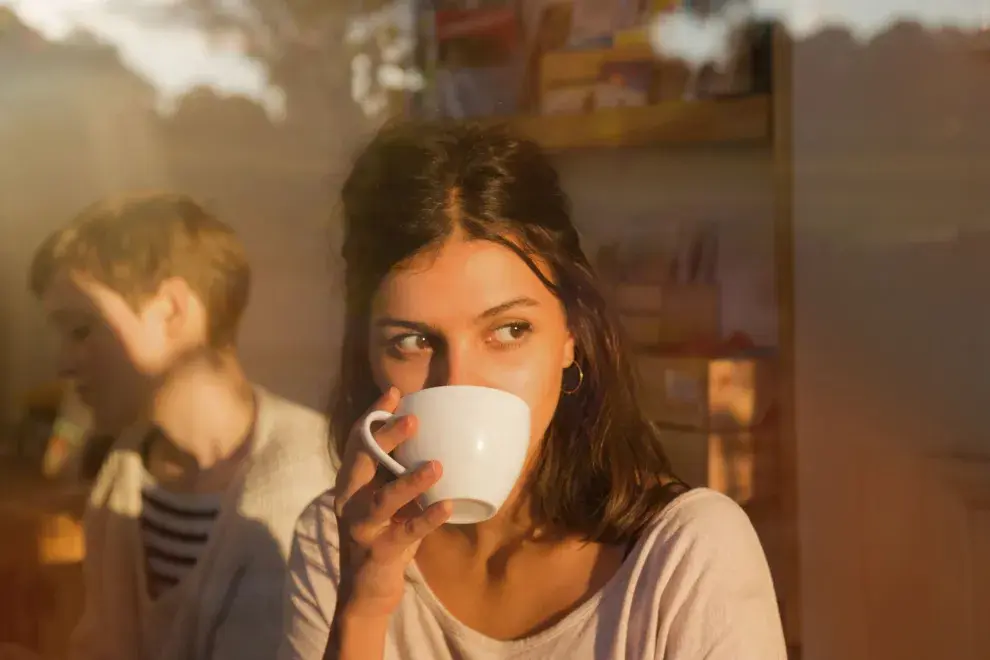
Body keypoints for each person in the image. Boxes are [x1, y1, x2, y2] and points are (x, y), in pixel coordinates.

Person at [279, 122, 787, 659]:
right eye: (412, 341)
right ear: (368, 357)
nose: (459, 382)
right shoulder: (336, 544)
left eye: (509, 331)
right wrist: (361, 612)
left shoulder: (685, 554)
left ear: (570, 336)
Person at [27, 193, 337, 660]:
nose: (63, 362)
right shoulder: (124, 474)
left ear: (172, 310)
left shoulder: (312, 475)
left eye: (82, 328)